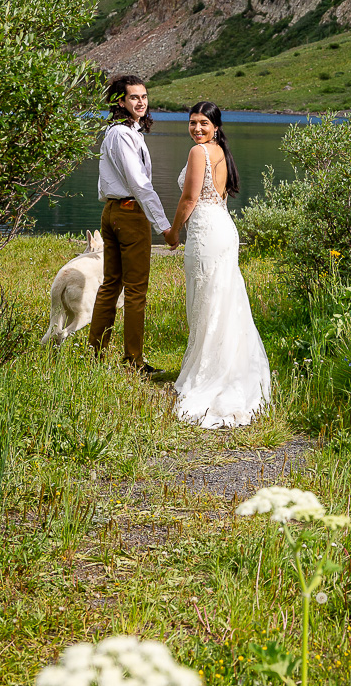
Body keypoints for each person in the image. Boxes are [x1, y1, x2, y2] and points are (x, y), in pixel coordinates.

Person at [168, 101, 271, 427]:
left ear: (216, 126)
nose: (196, 128)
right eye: (192, 122)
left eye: (203, 123)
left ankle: (210, 374)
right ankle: (225, 367)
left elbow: (189, 199)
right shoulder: (220, 151)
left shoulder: (200, 153)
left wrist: (172, 232)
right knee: (222, 300)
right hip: (223, 228)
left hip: (207, 232)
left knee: (208, 301)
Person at [88, 75, 176, 373]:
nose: (141, 102)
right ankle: (134, 361)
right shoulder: (123, 135)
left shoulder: (117, 132)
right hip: (129, 213)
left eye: (144, 97)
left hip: (112, 211)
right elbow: (140, 184)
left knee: (110, 284)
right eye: (134, 97)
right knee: (135, 290)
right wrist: (163, 226)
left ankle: (96, 356)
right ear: (120, 102)